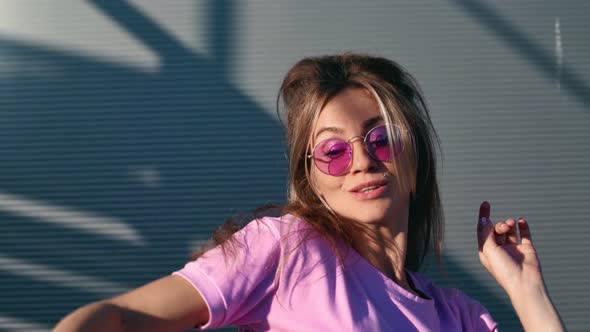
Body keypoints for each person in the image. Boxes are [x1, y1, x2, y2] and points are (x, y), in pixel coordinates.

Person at [54, 54, 565, 331]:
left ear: (416, 153)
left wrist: (526, 293)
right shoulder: (284, 250)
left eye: (380, 139)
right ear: (312, 179)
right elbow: (119, 319)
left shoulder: (462, 317)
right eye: (333, 152)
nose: (362, 161)